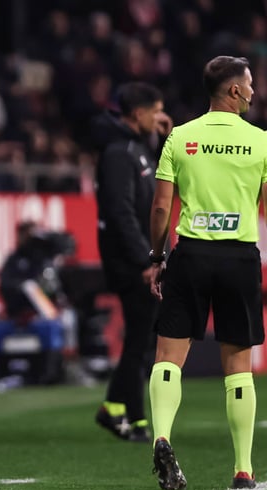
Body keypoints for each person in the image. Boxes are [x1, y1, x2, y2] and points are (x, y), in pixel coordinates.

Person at [148, 56, 267, 490]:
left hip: (191, 255)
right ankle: (243, 469)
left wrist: (157, 256)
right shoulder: (261, 141)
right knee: (238, 368)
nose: (253, 91)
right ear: (234, 90)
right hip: (238, 257)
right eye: (249, 84)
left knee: (168, 358)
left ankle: (162, 436)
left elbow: (161, 207)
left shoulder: (180, 137)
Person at [91, 82, 172, 443]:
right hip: (131, 262)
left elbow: (154, 183)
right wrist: (145, 259)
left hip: (141, 258)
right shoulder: (118, 153)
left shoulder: (135, 148)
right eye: (156, 111)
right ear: (138, 114)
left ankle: (128, 415)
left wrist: (162, 139)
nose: (160, 117)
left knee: (141, 339)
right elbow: (120, 212)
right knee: (140, 339)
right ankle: (120, 411)